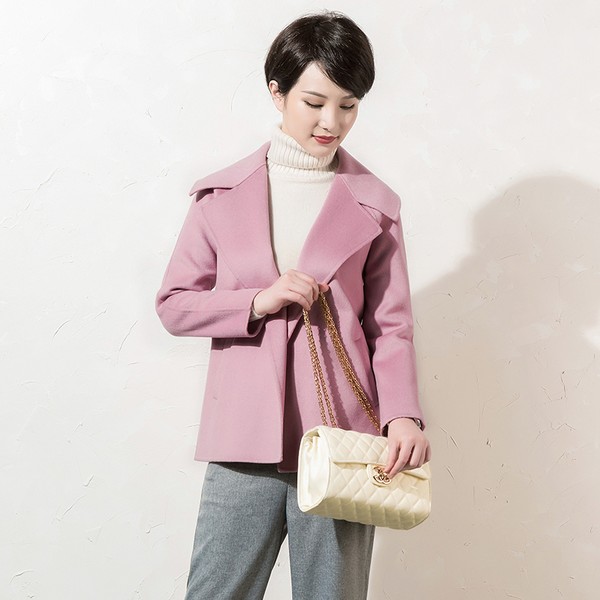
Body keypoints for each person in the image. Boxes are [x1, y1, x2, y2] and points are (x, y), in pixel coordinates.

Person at [156, 10, 431, 600]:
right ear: (277, 92)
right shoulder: (219, 197)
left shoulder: (376, 205)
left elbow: (390, 324)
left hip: (342, 442)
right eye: (314, 102)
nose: (332, 121)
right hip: (242, 438)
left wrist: (403, 414)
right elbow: (175, 304)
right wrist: (258, 300)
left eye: (348, 105)